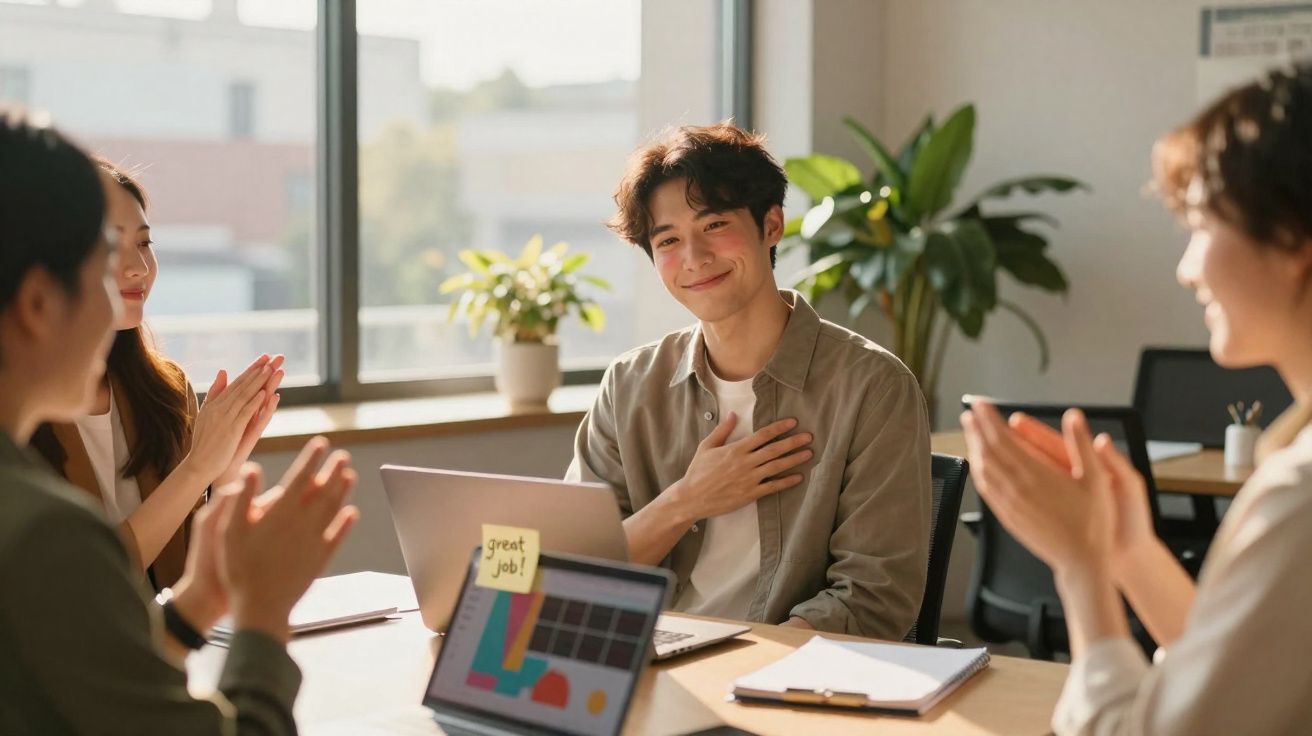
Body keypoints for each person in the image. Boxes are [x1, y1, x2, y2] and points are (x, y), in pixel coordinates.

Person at [961, 62, 1312, 735]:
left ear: (1293, 236)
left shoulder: (1300, 497)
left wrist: (1082, 567)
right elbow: (1234, 675)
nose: (1186, 269)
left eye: (1201, 226)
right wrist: (1127, 548)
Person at [0, 107, 358, 733]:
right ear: (37, 303)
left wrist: (199, 599)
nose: (131, 280)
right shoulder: (45, 533)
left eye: (143, 245)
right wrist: (263, 615)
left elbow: (91, 677)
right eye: (101, 266)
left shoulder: (158, 395)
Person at [568, 122, 930, 638]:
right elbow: (579, 570)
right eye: (668, 240)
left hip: (785, 670)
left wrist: (745, 665)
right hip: (643, 658)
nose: (694, 258)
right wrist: (688, 500)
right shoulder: (628, 387)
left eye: (714, 225)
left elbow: (874, 595)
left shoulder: (873, 387)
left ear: (772, 224)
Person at [29, 160, 282, 590]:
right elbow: (90, 581)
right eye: (111, 245)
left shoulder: (164, 390)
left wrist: (224, 474)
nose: (139, 268)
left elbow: (199, 581)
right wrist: (198, 468)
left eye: (144, 243)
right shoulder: (18, 410)